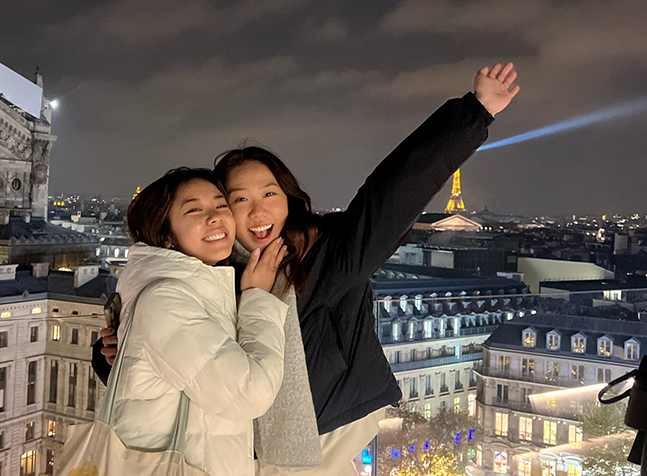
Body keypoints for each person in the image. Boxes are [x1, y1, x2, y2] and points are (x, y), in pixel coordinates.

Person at [95, 63, 520, 474]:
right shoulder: (211, 276)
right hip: (246, 449)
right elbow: (194, 364)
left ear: (289, 197)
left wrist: (474, 112)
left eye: (269, 193)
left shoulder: (324, 252)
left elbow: (393, 192)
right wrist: (112, 356)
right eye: (239, 199)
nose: (258, 211)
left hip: (326, 431)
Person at [110, 167, 289, 476]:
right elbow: (250, 392)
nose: (216, 216)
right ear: (165, 235)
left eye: (222, 205)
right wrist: (258, 298)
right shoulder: (166, 300)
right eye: (195, 210)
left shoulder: (194, 290)